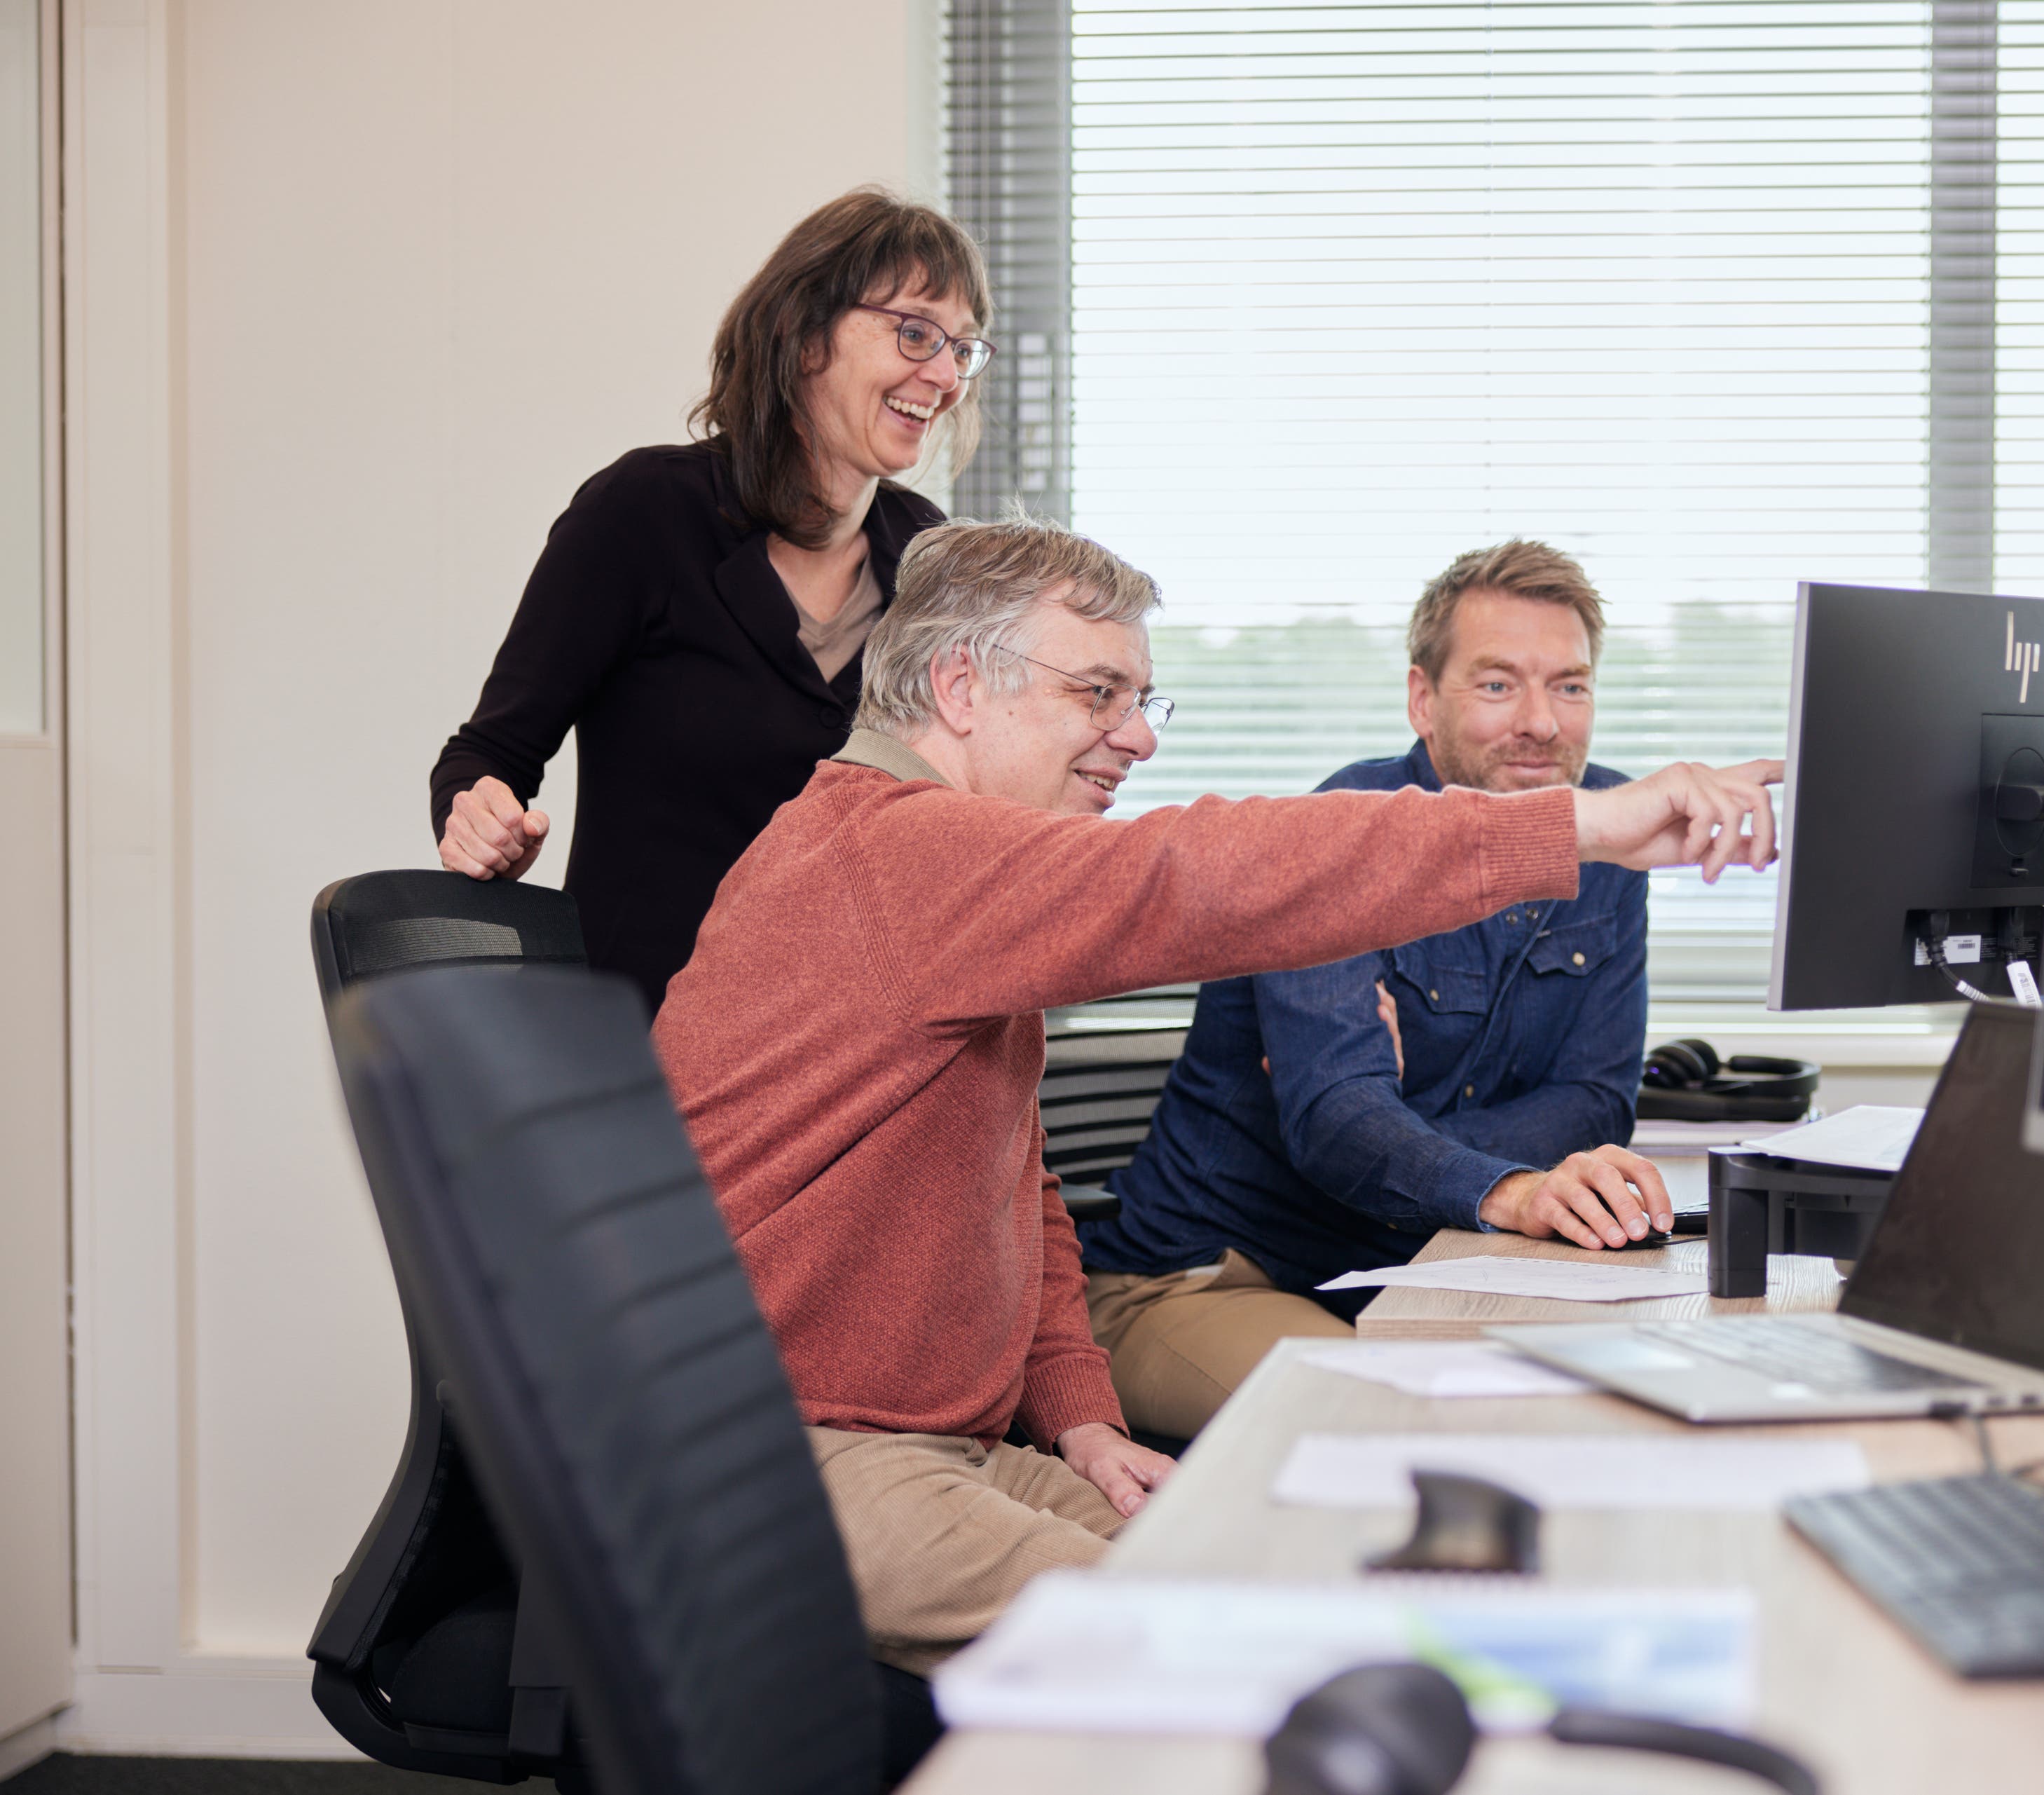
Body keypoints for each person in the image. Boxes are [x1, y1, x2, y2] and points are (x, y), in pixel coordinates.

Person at [650, 517, 1778, 1674]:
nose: (1138, 736)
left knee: (1286, 1583)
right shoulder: (898, 853)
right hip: (790, 1452)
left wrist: (1080, 1417)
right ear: (958, 687)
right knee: (1238, 1654)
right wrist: (1584, 825)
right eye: (1098, 694)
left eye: (1141, 699)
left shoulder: (956, 880)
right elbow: (1196, 876)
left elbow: (1017, 1187)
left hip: (953, 1441)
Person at [1076, 541, 1662, 1438]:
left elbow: (1595, 1099)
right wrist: (1493, 1181)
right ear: (1423, 699)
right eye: (1498, 684)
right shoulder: (1337, 838)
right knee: (1398, 1425)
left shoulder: (1609, 838)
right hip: (1210, 1277)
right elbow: (1338, 1129)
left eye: (1571, 685)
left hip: (1412, 1268)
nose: (1542, 722)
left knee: (1609, 1400)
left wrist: (1406, 1128)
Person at [430, 187, 992, 1010]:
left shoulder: (929, 556)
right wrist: (481, 816)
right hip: (641, 1036)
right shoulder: (644, 511)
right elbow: (488, 755)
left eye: (963, 349)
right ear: (805, 335)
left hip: (842, 1039)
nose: (944, 377)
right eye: (915, 333)